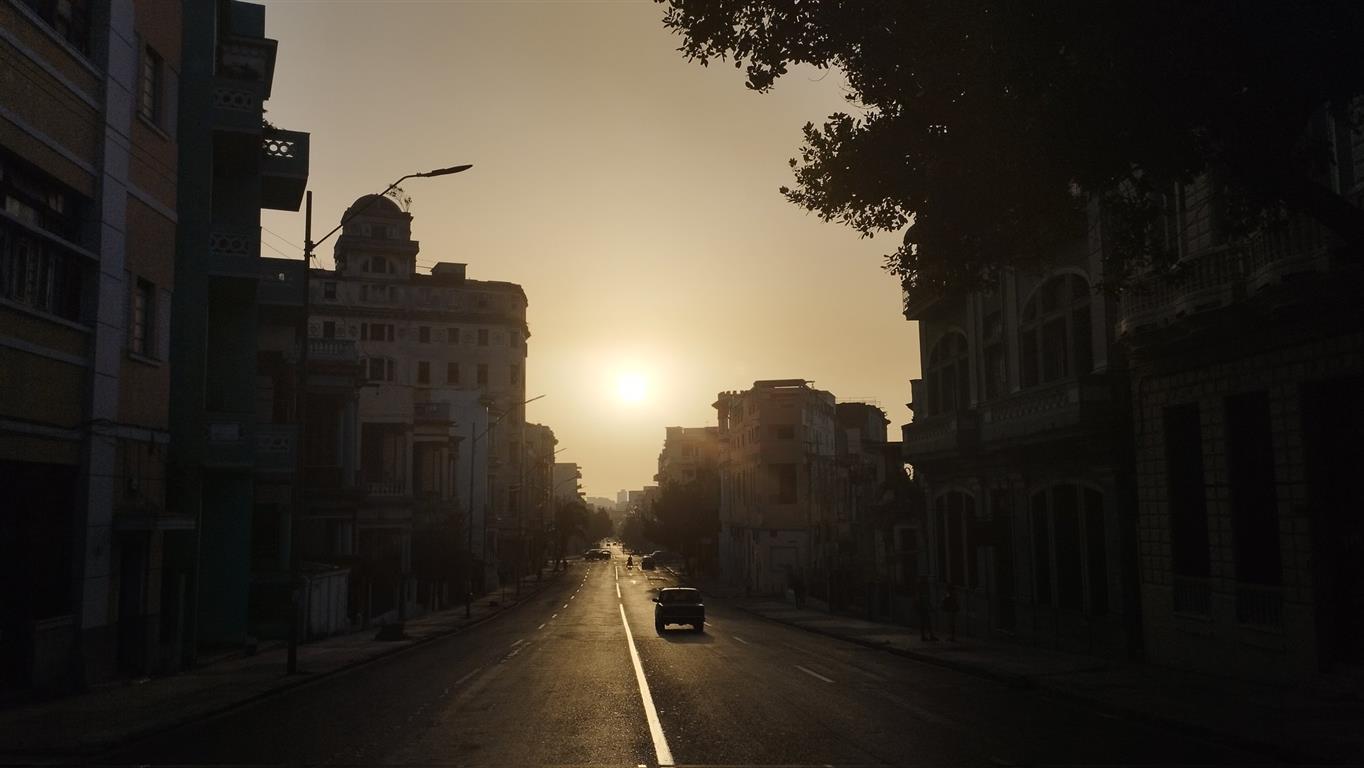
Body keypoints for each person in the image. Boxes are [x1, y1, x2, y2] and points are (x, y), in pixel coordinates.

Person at [915, 577, 939, 641]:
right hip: (922, 609)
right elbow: (920, 601)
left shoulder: (925, 592)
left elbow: (927, 601)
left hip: (925, 608)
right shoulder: (920, 592)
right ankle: (925, 636)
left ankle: (929, 635)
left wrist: (930, 607)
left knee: (927, 622)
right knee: (925, 622)